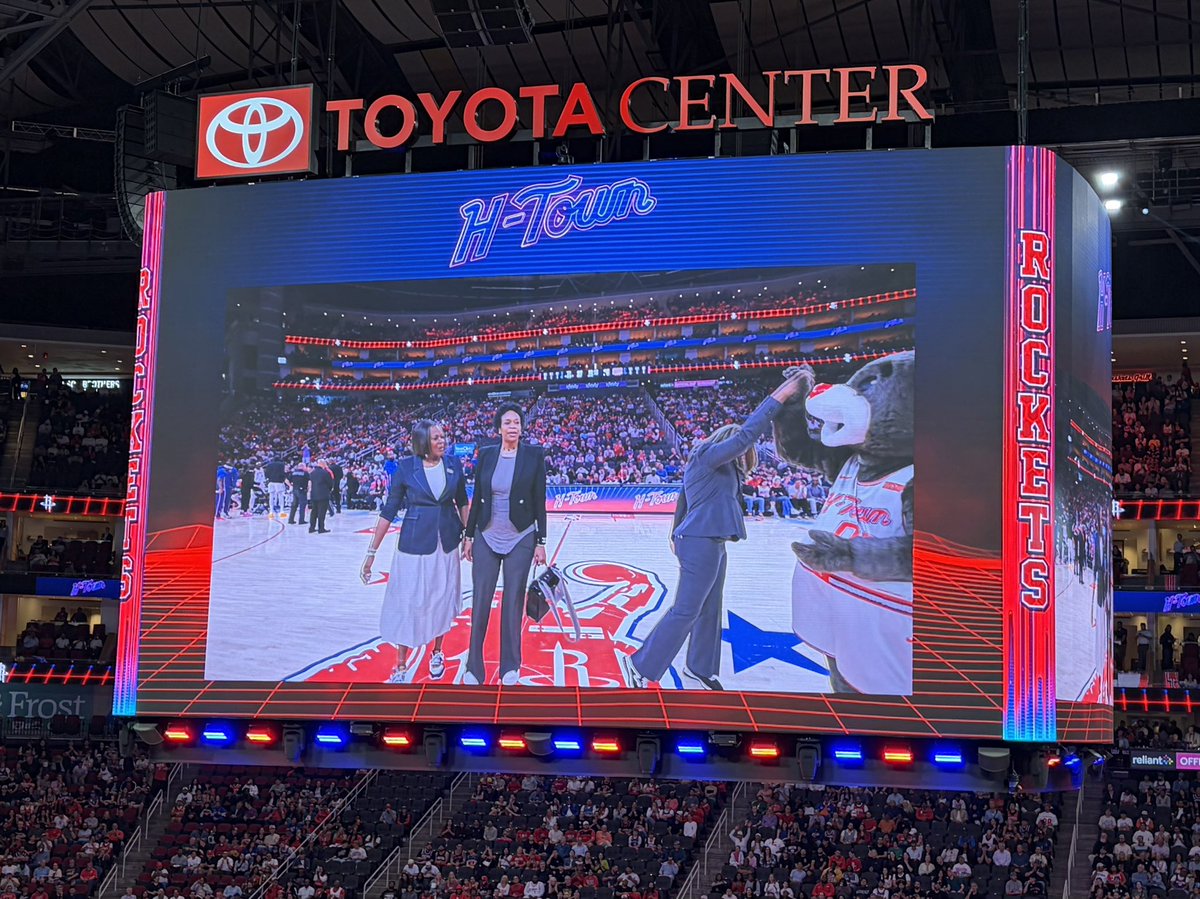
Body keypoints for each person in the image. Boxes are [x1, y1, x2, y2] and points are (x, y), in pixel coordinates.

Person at [619, 371, 804, 690]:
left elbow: (684, 497)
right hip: (700, 542)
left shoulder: (715, 468)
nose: (745, 456)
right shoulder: (708, 455)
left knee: (709, 608)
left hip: (710, 542)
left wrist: (674, 531)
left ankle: (698, 668)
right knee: (686, 609)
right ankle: (640, 664)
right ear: (727, 443)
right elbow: (746, 435)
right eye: (740, 450)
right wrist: (781, 395)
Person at [361, 421, 469, 683]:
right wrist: (371, 552)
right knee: (409, 602)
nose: (442, 441)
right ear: (422, 441)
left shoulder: (454, 464)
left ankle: (437, 653)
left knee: (442, 599)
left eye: (443, 436)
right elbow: (389, 510)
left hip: (447, 543)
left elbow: (463, 502)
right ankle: (400, 666)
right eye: (435, 438)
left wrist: (469, 536)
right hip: (413, 545)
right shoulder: (406, 467)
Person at [462, 403, 548, 686]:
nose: (513, 426)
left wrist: (540, 541)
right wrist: (469, 536)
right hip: (486, 533)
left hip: (521, 535)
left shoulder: (534, 456)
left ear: (521, 428)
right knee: (481, 601)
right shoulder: (486, 455)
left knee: (513, 602)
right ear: (499, 428)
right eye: (508, 422)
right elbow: (477, 498)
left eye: (517, 422)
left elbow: (539, 502)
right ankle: (474, 667)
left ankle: (511, 665)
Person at [308, 461, 334, 533]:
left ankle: (311, 528)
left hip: (314, 494)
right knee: (322, 512)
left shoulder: (312, 473)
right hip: (323, 494)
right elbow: (330, 483)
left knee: (314, 512)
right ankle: (321, 528)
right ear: (322, 465)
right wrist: (328, 490)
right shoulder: (325, 473)